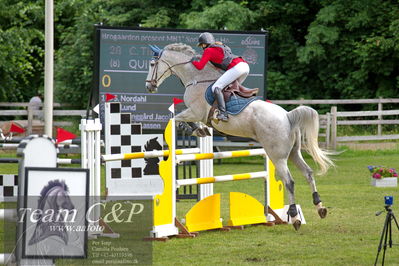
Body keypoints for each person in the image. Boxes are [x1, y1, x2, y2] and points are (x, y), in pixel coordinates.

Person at [191, 32, 250, 122]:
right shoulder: (220, 46)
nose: (202, 47)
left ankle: (223, 114)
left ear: (204, 43)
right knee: (231, 89)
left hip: (237, 67)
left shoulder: (208, 51)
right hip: (245, 66)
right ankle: (235, 109)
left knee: (216, 87)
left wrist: (193, 61)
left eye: (202, 44)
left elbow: (200, 66)